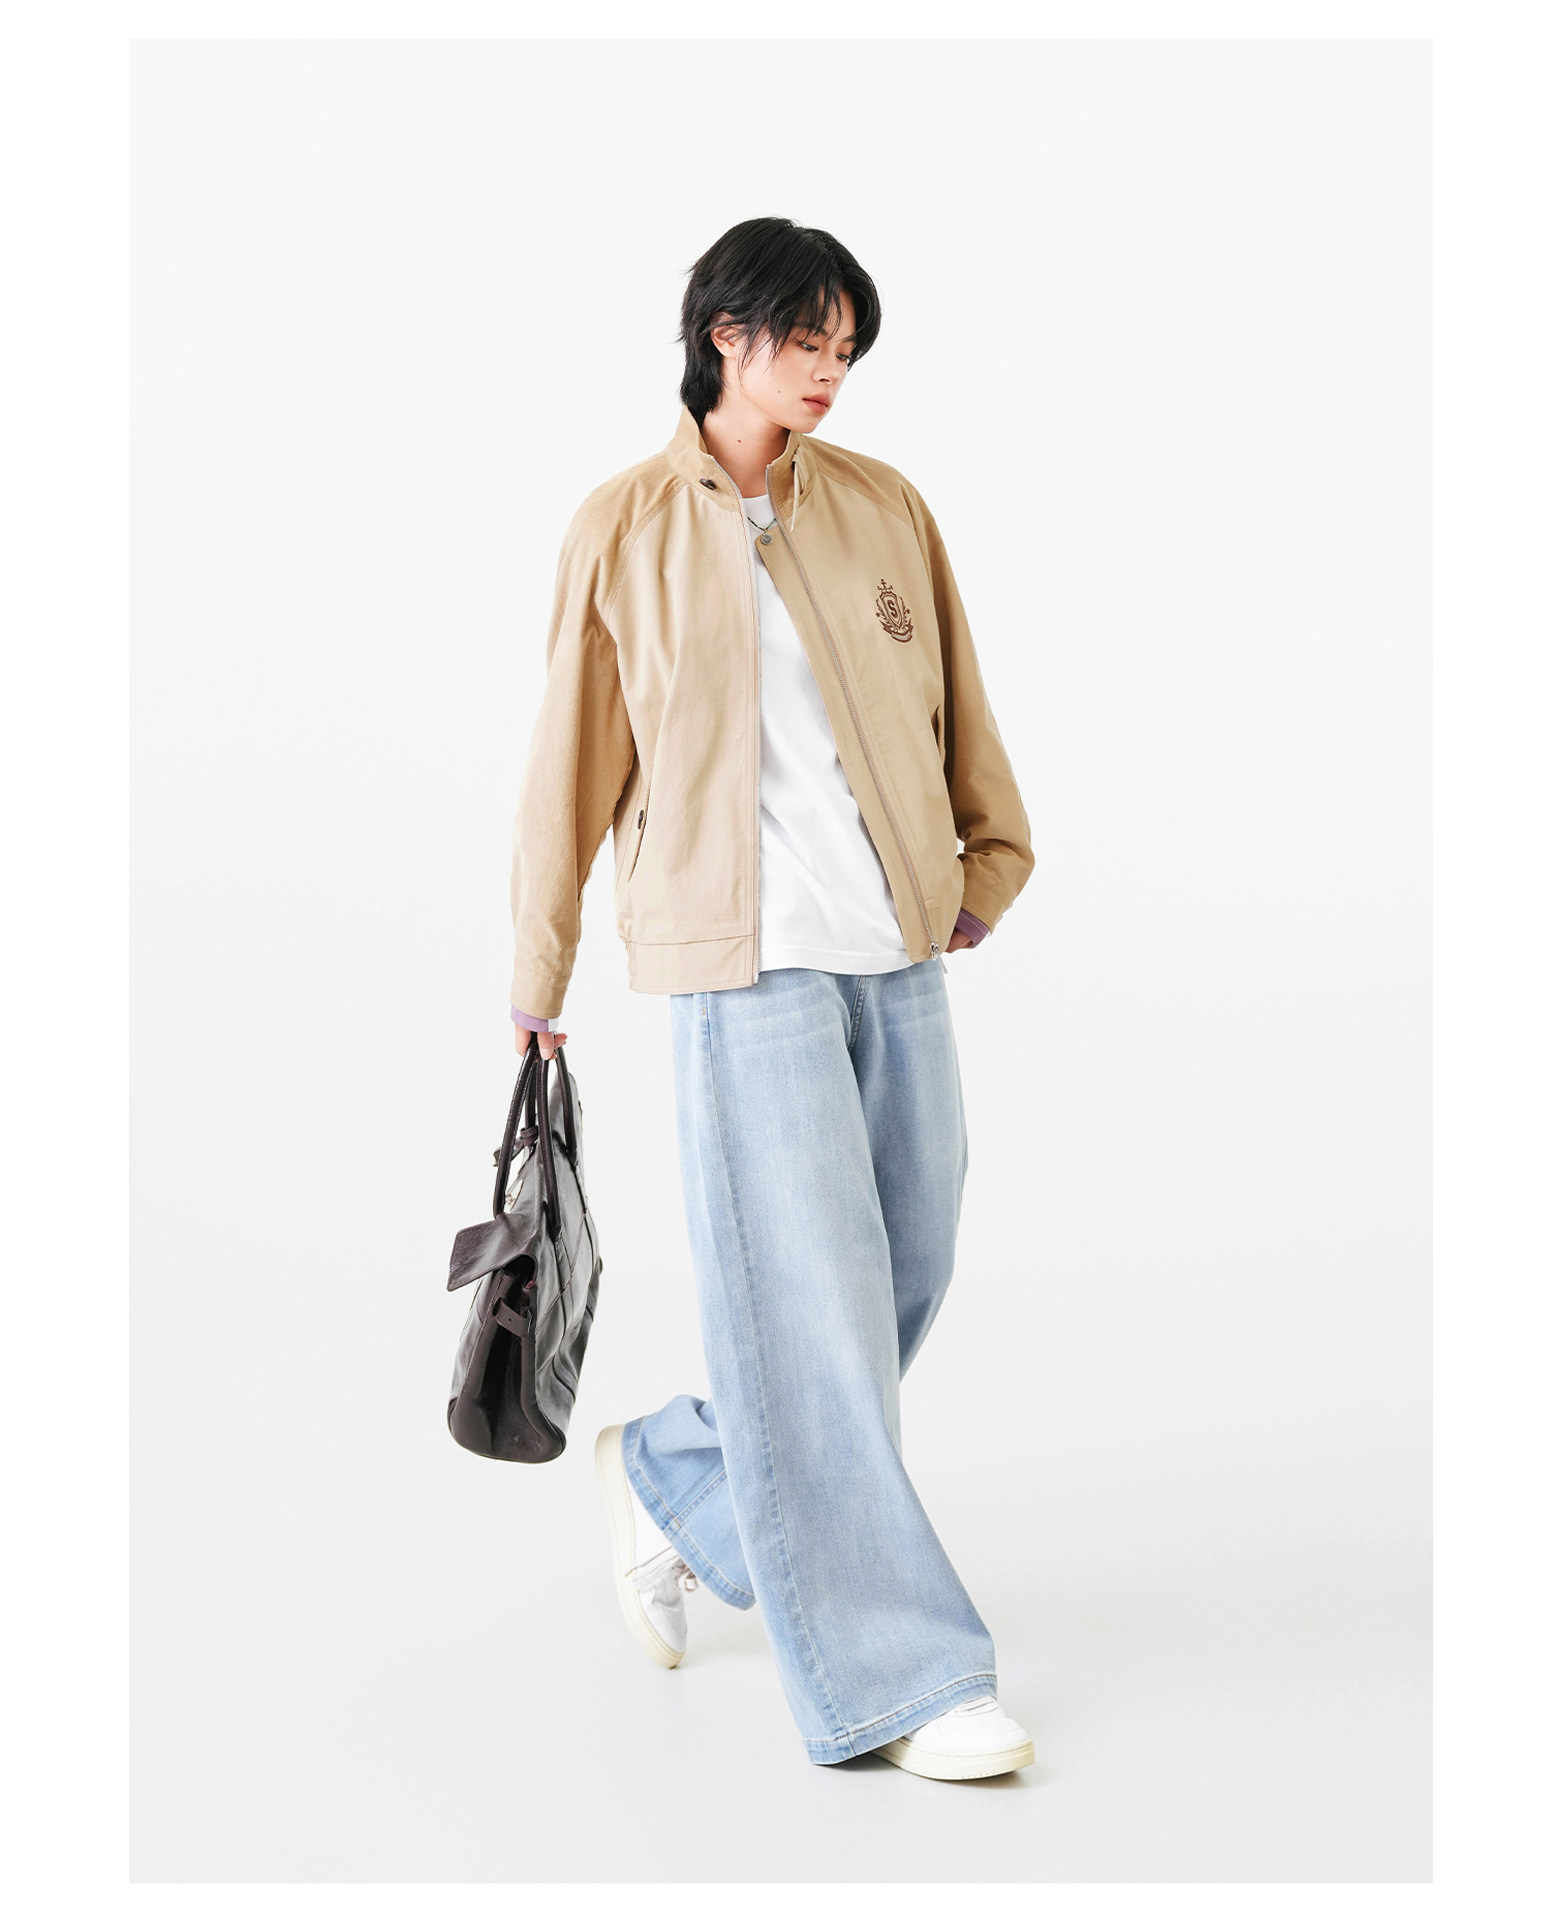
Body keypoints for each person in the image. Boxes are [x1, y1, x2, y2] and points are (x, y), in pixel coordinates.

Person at [506, 216, 1036, 1779]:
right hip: (742, 965)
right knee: (811, 1306)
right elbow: (568, 761)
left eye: (845, 349)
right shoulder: (623, 526)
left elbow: (955, 692)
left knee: (904, 1266)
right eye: (806, 340)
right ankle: (900, 1678)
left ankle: (678, 1473)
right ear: (723, 335)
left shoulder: (882, 507)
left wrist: (987, 863)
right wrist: (538, 969)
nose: (829, 372)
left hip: (895, 940)